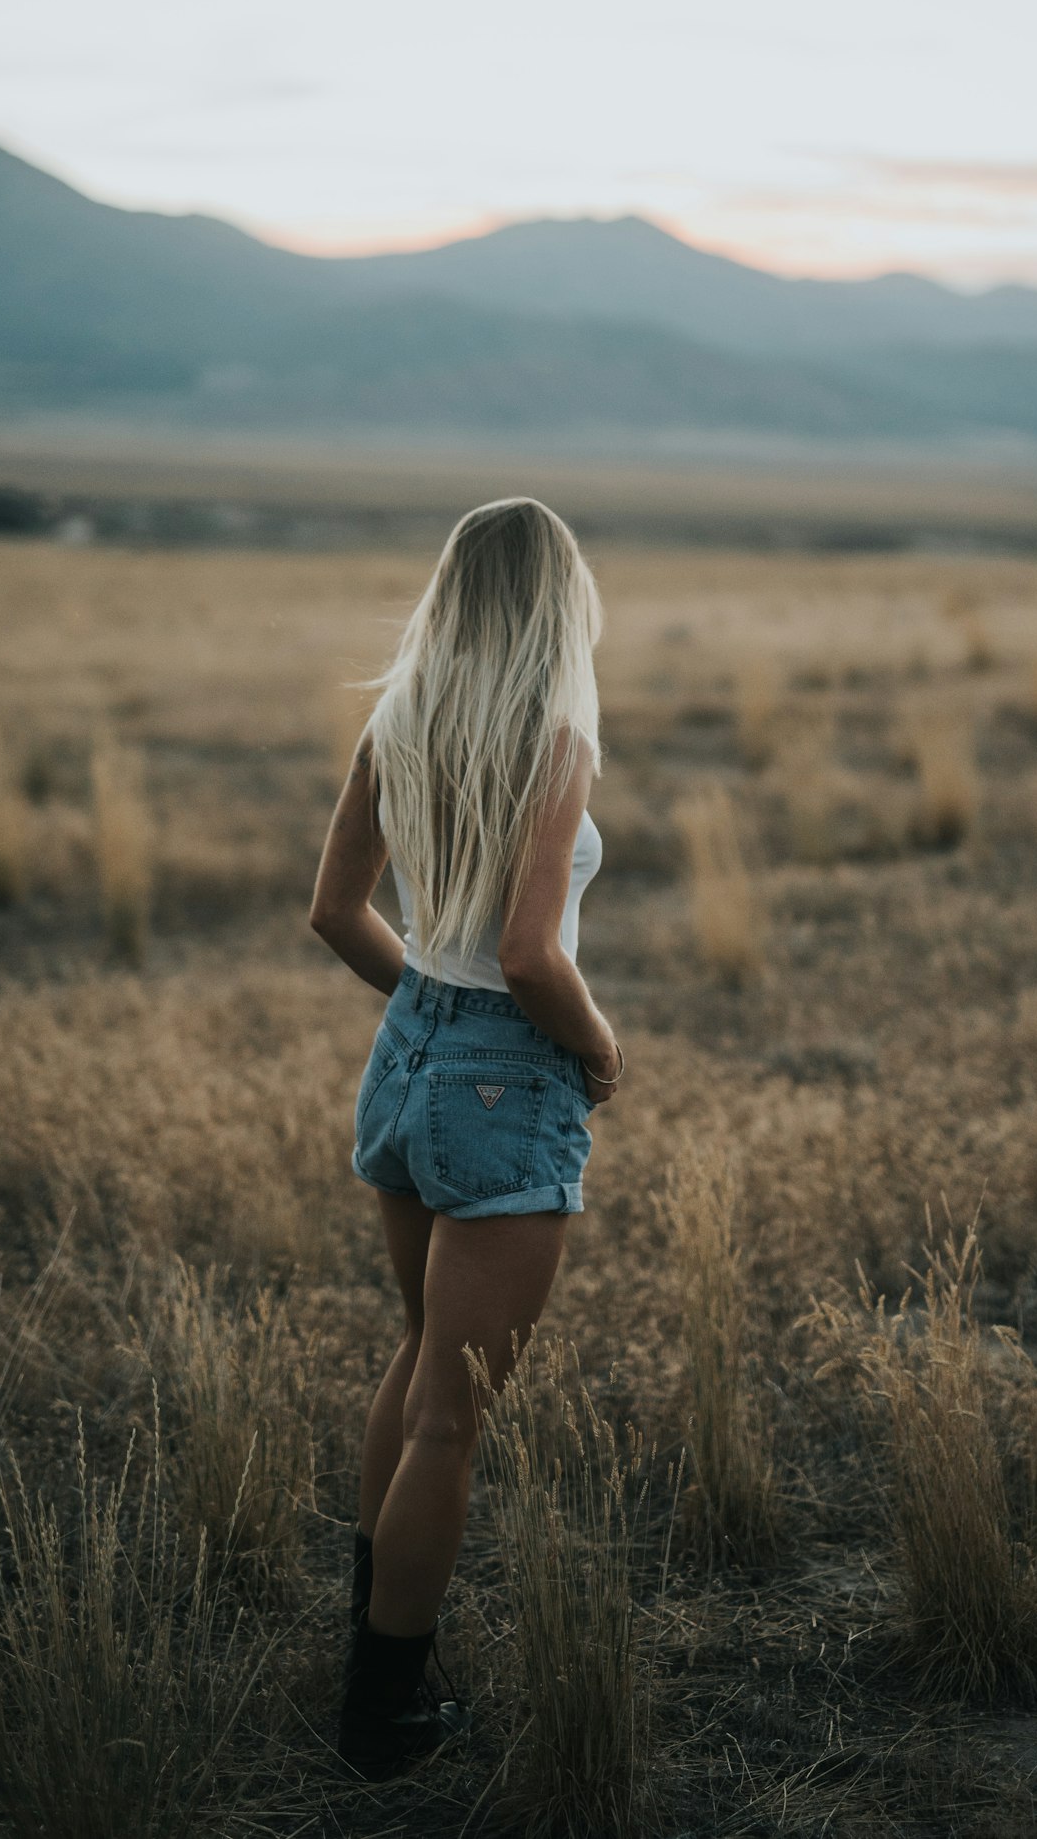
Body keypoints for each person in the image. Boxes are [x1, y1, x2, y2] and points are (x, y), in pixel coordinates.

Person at [309, 495, 625, 1781]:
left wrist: (426, 1025)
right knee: (453, 1415)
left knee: (419, 1360)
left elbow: (334, 912)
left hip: (411, 1051)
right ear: (558, 602)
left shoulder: (400, 717)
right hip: (505, 1063)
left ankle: (373, 1643)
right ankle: (383, 1719)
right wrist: (596, 1049)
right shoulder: (554, 739)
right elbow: (530, 955)